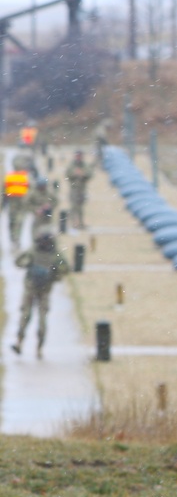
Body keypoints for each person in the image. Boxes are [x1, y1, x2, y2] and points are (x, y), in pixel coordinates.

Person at [10, 230, 71, 360]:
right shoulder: (41, 251)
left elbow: (65, 268)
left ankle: (37, 348)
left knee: (37, 319)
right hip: (32, 290)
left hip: (41, 291)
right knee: (27, 317)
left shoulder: (52, 254)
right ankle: (22, 344)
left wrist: (54, 273)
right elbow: (18, 262)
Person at [65, 150, 95, 229]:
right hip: (74, 189)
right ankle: (73, 223)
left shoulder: (85, 165)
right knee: (73, 206)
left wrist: (83, 173)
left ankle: (81, 223)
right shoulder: (72, 165)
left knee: (81, 207)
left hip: (82, 189)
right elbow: (68, 174)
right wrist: (75, 173)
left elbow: (90, 173)